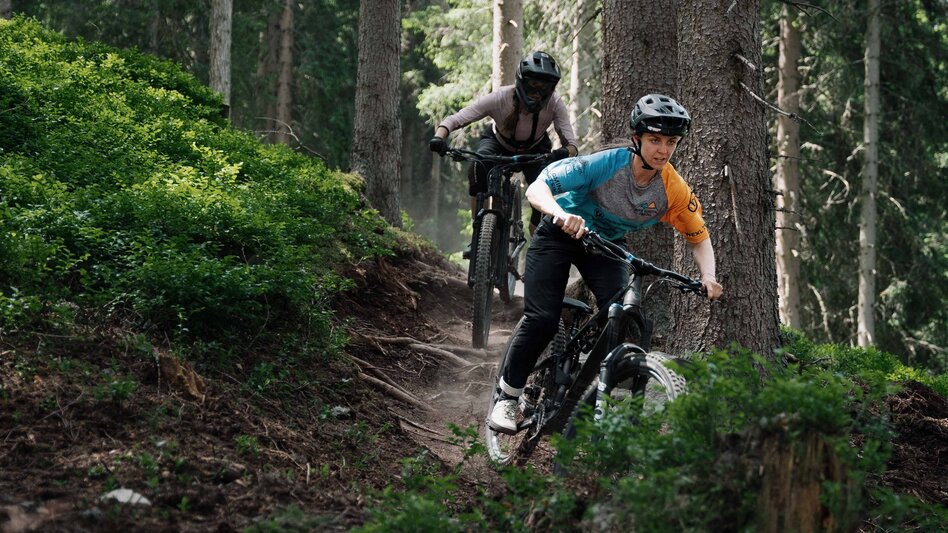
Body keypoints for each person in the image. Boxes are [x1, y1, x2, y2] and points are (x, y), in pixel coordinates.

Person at [488, 93, 725, 434]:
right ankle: (507, 398)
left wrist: (709, 276)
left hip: (606, 245)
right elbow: (537, 189)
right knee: (542, 318)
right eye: (655, 139)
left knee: (624, 318)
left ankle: (586, 394)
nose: (663, 149)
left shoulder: (673, 189)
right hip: (559, 233)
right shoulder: (606, 164)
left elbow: (699, 237)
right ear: (637, 139)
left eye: (671, 142)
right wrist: (561, 213)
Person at [428, 51, 579, 235]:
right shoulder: (500, 97)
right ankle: (479, 231)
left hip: (536, 149)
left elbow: (571, 145)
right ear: (522, 81)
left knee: (546, 185)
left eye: (545, 87)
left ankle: (538, 243)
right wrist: (438, 137)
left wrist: (561, 153)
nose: (538, 93)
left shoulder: (555, 103)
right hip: (497, 142)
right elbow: (458, 118)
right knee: (477, 167)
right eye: (533, 85)